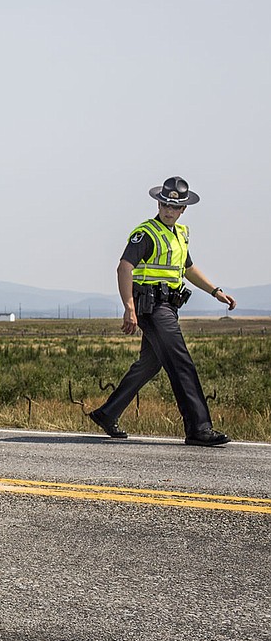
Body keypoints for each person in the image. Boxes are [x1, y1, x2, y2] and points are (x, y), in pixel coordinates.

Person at [88, 177, 237, 446]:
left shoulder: (181, 234)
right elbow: (124, 268)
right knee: (181, 363)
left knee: (149, 364)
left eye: (174, 207)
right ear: (158, 203)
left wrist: (216, 291)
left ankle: (107, 413)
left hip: (169, 306)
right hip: (152, 308)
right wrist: (129, 308)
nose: (169, 210)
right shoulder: (146, 233)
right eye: (165, 204)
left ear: (183, 210)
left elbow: (188, 268)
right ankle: (199, 428)